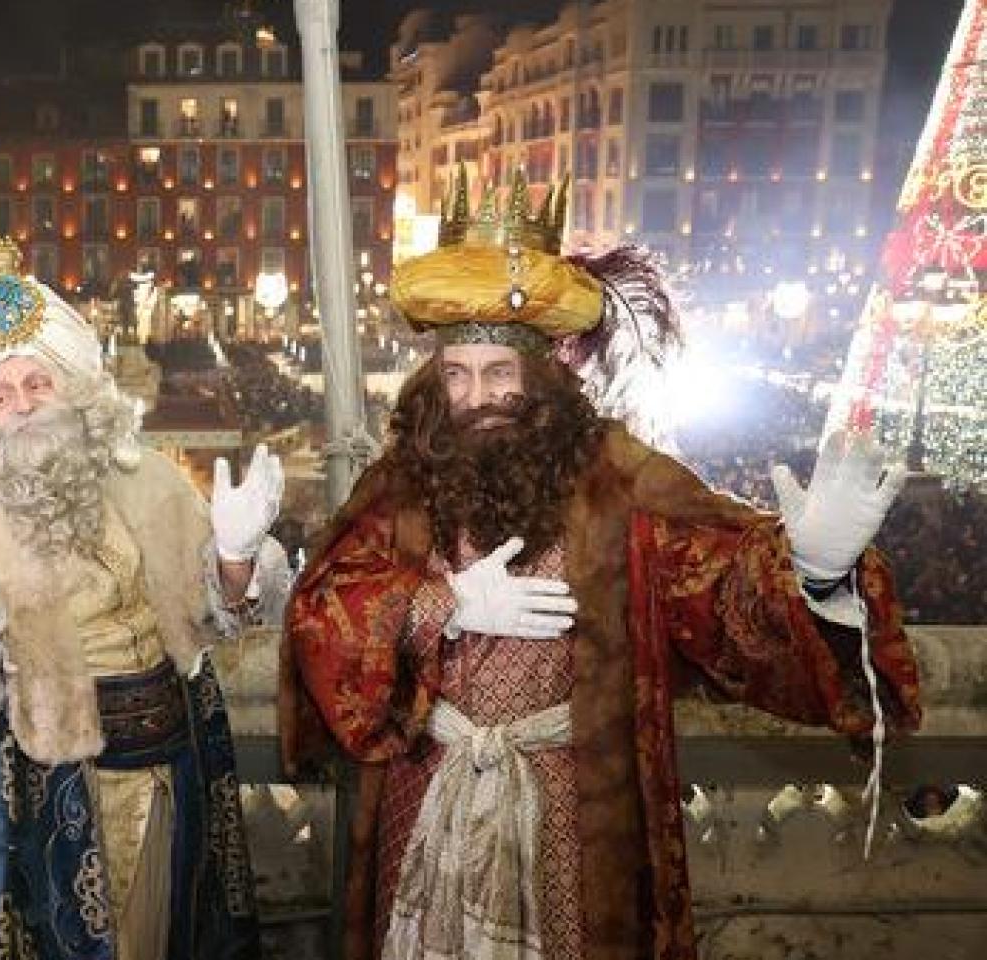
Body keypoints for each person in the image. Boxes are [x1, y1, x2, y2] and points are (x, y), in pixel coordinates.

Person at [280, 171, 924, 960]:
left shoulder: (619, 481)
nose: (475, 397)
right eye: (455, 375)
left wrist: (813, 570)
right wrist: (433, 604)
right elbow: (323, 606)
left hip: (574, 807)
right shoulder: (401, 484)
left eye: (497, 375)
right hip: (428, 792)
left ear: (543, 379)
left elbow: (717, 585)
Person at [0, 239, 285, 960]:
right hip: (43, 805)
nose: (24, 409)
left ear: (73, 385)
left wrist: (233, 556)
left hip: (171, 766)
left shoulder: (151, 479)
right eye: (0, 397)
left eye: (37, 384)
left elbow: (216, 617)